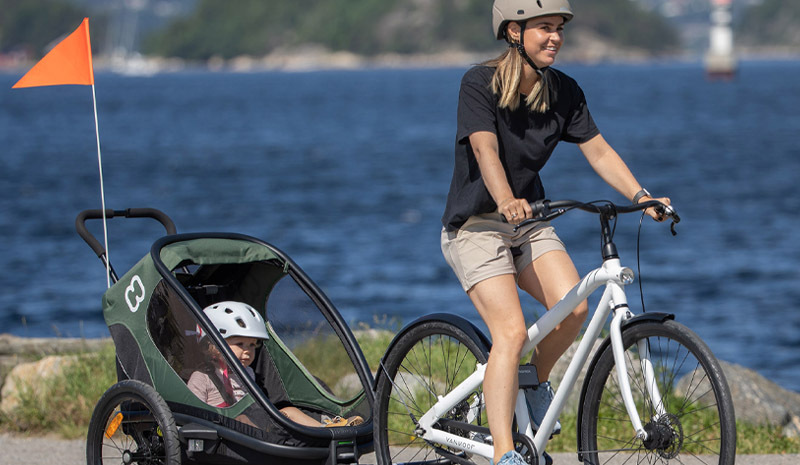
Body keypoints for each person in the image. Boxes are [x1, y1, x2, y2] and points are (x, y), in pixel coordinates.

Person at [440, 1, 670, 464]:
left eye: (559, 28)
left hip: (528, 223)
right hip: (476, 227)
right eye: (544, 27)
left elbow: (599, 150)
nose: (555, 37)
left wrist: (642, 195)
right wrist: (505, 199)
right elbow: (485, 150)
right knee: (509, 331)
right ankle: (505, 452)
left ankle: (532, 383)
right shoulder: (478, 84)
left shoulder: (564, 91)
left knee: (574, 308)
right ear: (513, 33)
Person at [187, 301, 363, 428]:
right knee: (242, 418)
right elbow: (193, 410)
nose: (247, 351)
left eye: (252, 345)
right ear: (213, 346)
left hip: (255, 422)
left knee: (289, 411)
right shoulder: (203, 377)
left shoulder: (248, 373)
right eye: (240, 344)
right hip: (226, 425)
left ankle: (324, 430)